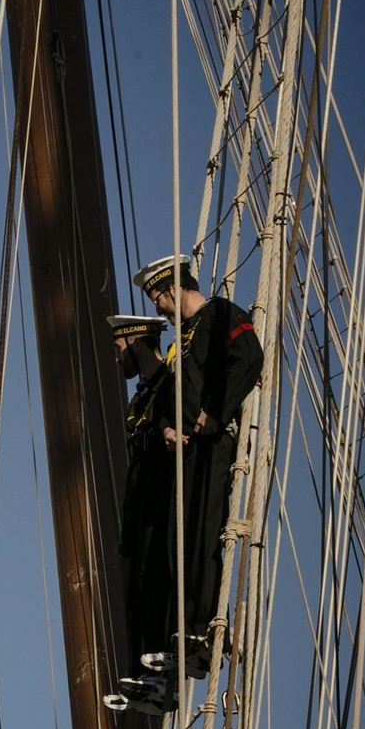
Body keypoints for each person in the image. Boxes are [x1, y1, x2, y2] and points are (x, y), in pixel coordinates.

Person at [133, 254, 263, 676]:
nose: (159, 309)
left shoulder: (221, 313)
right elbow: (174, 392)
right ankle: (184, 633)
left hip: (211, 445)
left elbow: (248, 357)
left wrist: (215, 411)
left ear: (172, 288)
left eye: (158, 299)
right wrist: (169, 427)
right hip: (185, 450)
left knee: (204, 532)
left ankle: (203, 630)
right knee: (179, 539)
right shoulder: (180, 341)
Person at [108, 314, 173, 668]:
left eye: (120, 349)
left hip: (162, 497)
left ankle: (162, 652)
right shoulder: (141, 399)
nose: (118, 358)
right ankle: (140, 667)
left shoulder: (172, 385)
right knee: (135, 585)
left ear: (135, 344)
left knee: (159, 577)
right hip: (140, 503)